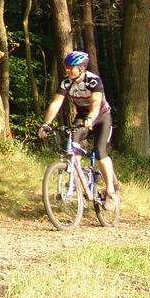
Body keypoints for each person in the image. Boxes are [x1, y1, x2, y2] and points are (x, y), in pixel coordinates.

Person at [38, 50, 119, 208]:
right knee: (73, 146)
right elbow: (56, 103)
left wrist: (91, 118)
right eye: (66, 67)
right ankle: (75, 180)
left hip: (101, 117)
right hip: (82, 116)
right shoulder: (66, 82)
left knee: (100, 151)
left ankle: (110, 191)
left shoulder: (93, 81)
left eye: (70, 67)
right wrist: (46, 124)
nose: (67, 70)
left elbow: (96, 103)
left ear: (81, 68)